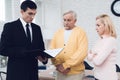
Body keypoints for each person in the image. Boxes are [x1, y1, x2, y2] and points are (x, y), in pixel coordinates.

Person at [0, 1, 47, 80]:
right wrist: (23, 51)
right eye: (30, 13)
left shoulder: (37, 28)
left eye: (34, 14)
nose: (32, 17)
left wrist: (44, 58)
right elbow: (2, 49)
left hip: (33, 74)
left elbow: (41, 48)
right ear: (22, 11)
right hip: (16, 73)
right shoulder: (10, 27)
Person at [50, 10, 88, 80]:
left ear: (75, 21)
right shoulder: (58, 33)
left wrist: (65, 65)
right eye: (64, 20)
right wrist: (58, 65)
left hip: (75, 74)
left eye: (69, 20)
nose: (66, 23)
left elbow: (82, 52)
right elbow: (52, 50)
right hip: (59, 72)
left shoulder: (81, 32)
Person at [87, 14, 118, 80]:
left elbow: (97, 61)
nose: (96, 28)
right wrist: (94, 55)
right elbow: (88, 57)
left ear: (106, 26)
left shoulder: (111, 40)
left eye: (98, 25)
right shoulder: (99, 40)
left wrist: (92, 54)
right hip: (97, 77)